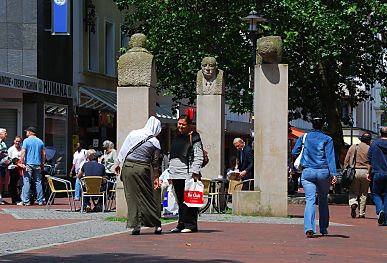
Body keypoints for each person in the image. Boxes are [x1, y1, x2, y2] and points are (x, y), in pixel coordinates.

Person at [115, 116, 162, 235]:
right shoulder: (155, 141)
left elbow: (124, 149)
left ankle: (135, 226)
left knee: (131, 197)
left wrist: (118, 163)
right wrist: (156, 177)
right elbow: (156, 162)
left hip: (127, 168)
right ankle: (156, 224)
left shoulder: (133, 133)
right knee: (148, 196)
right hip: (142, 168)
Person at [291, 117, 337, 238]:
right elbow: (330, 157)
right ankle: (323, 227)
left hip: (308, 171)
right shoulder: (328, 139)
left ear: (312, 124)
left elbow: (294, 152)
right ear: (323, 125)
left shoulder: (304, 137)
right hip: (323, 172)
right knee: (323, 200)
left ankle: (309, 228)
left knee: (310, 200)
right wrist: (333, 174)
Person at [169, 114, 204, 233]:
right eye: (179, 124)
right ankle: (181, 224)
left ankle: (190, 225)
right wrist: (169, 173)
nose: (181, 126)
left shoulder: (194, 137)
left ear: (189, 125)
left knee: (189, 200)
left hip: (187, 173)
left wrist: (195, 171)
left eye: (183, 124)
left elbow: (199, 155)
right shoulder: (176, 136)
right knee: (180, 201)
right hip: (175, 173)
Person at [344, 132, 371, 218]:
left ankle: (353, 203)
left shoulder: (354, 147)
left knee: (353, 191)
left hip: (355, 171)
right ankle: (361, 212)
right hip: (366, 171)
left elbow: (347, 159)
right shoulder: (370, 148)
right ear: (369, 140)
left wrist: (345, 169)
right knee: (364, 193)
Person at [19, 126, 46, 206]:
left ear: (30, 132)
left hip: (28, 164)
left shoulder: (26, 141)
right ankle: (40, 200)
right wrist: (42, 164)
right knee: (38, 182)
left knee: (27, 182)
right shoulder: (40, 141)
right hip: (37, 164)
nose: (26, 133)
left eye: (27, 131)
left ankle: (26, 201)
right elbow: (43, 154)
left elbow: (23, 152)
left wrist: (21, 162)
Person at [367, 127, 387, 226]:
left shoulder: (374, 144)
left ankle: (380, 210)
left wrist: (369, 173)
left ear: (380, 133)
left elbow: (369, 161)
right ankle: (385, 219)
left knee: (376, 193)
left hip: (377, 172)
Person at [7, 136, 23, 204]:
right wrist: (15, 163)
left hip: (20, 168)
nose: (17, 142)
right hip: (13, 168)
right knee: (13, 184)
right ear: (14, 141)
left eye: (19, 141)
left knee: (20, 185)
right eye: (16, 141)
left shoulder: (22, 149)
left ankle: (20, 198)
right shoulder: (11, 149)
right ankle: (14, 199)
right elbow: (8, 159)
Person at [0, 128, 10, 205]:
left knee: (1, 182)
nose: (6, 134)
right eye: (5, 133)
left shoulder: (3, 143)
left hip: (2, 165)